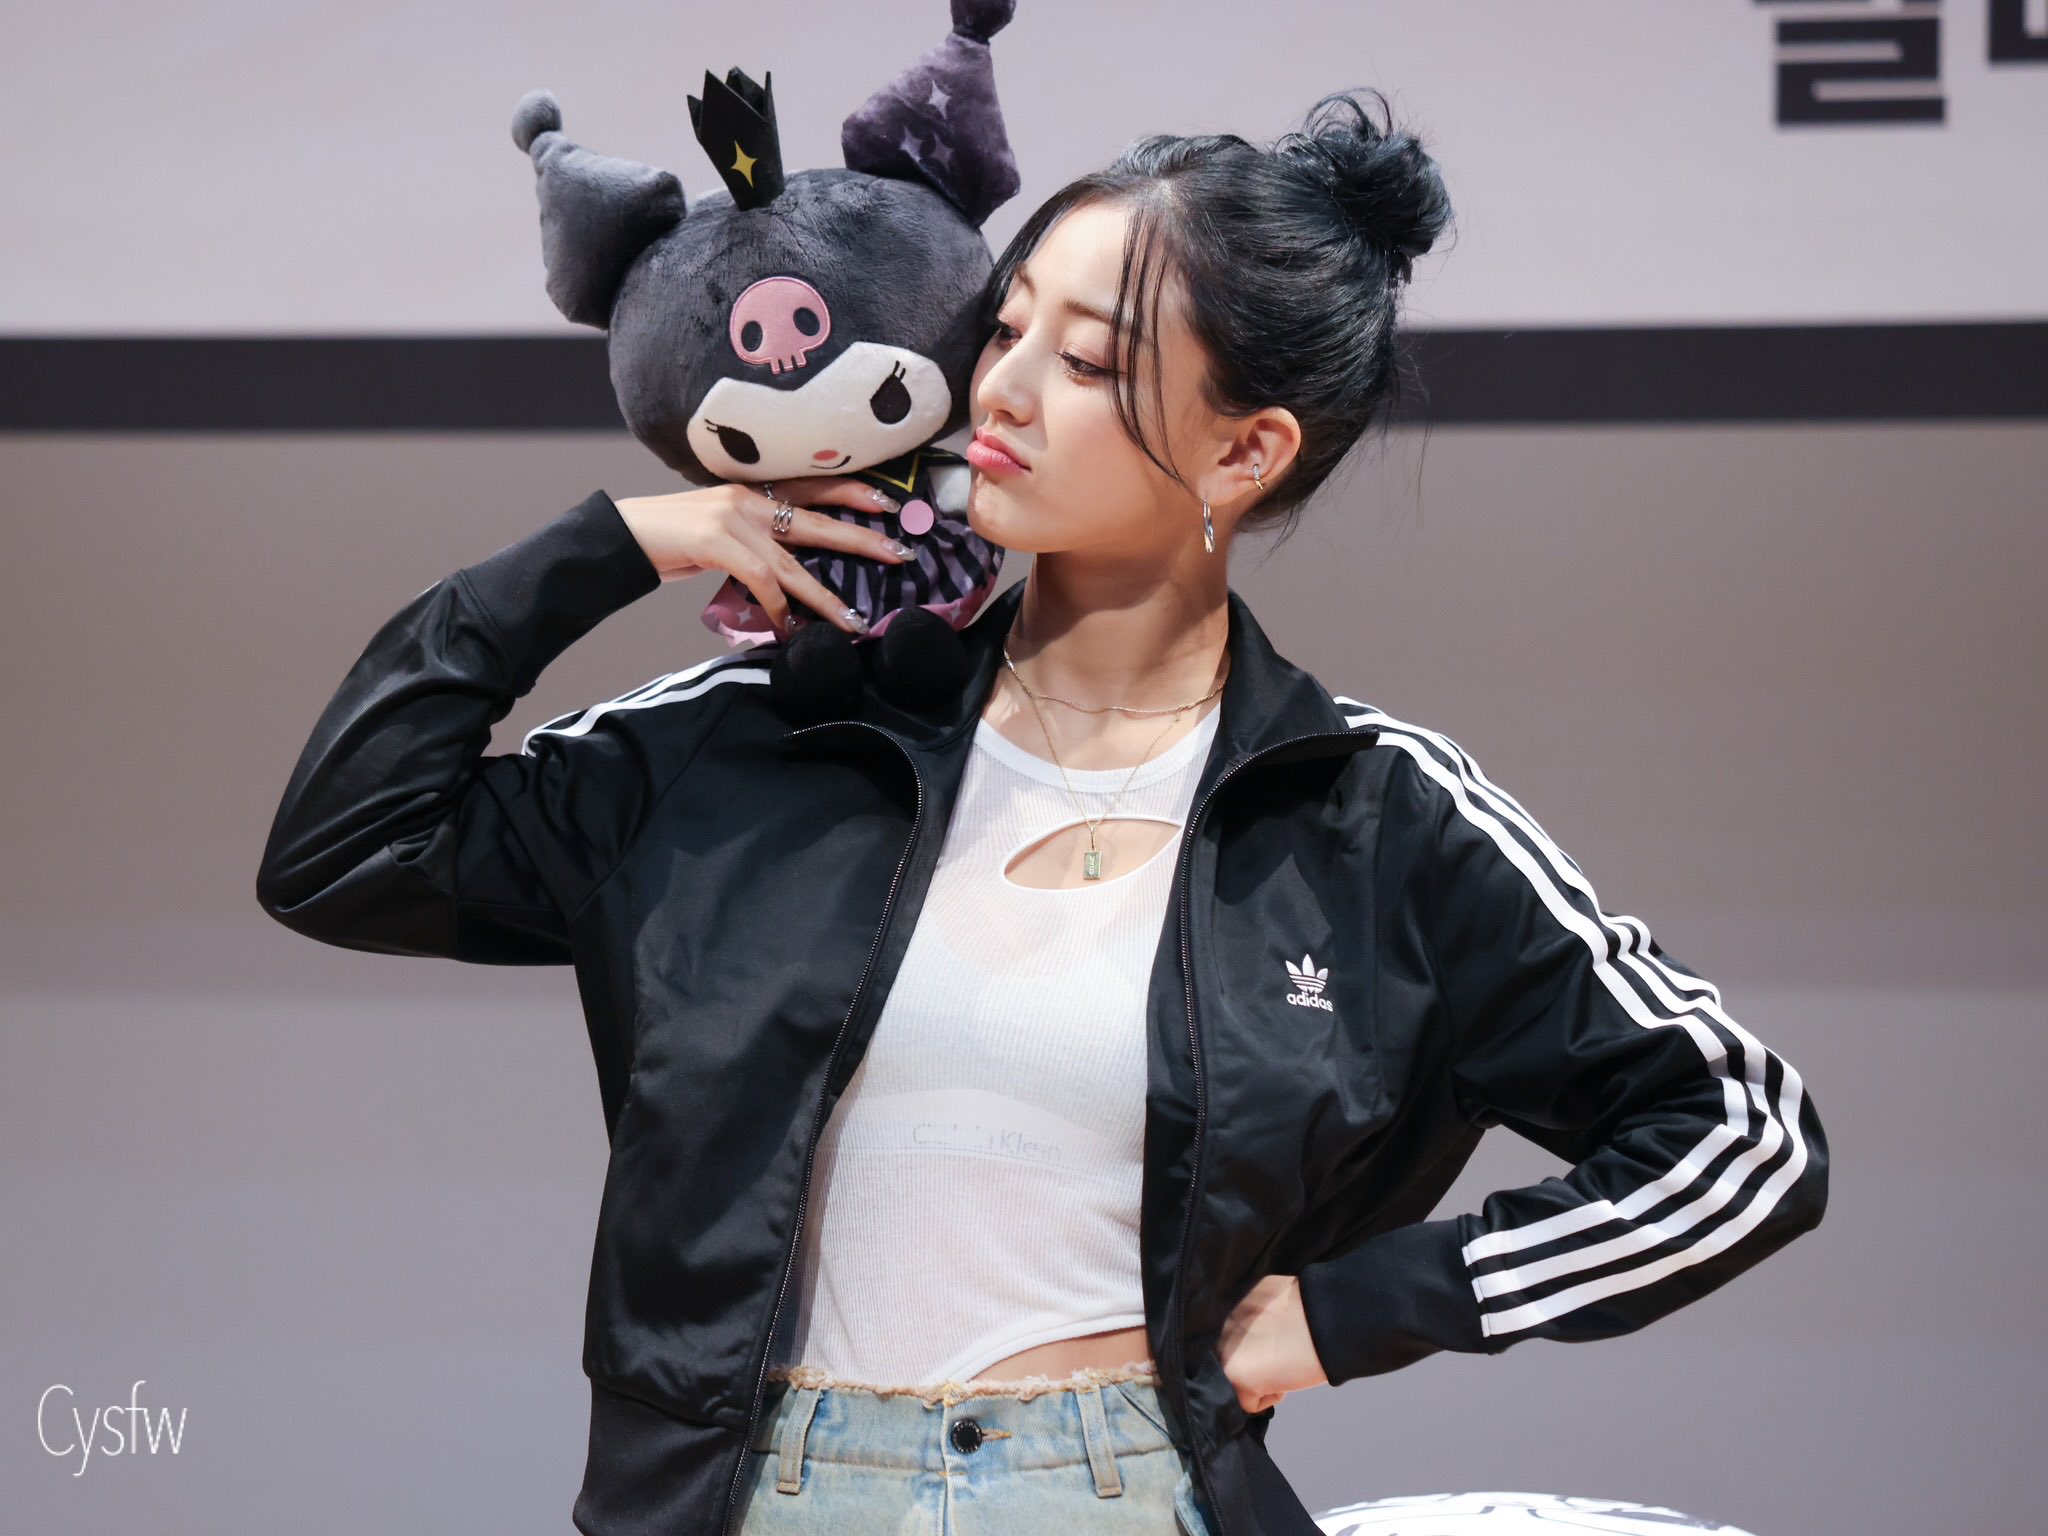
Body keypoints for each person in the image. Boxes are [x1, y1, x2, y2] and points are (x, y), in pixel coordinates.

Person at [257, 88, 1829, 1536]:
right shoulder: (771, 734)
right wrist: (622, 542)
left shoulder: (1374, 814)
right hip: (753, 1496)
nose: (997, 388)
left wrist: (1347, 1316)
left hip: (1119, 1488)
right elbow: (344, 848)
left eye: (1084, 361)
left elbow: (1742, 1140)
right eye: (1004, 327)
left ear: (1245, 449)